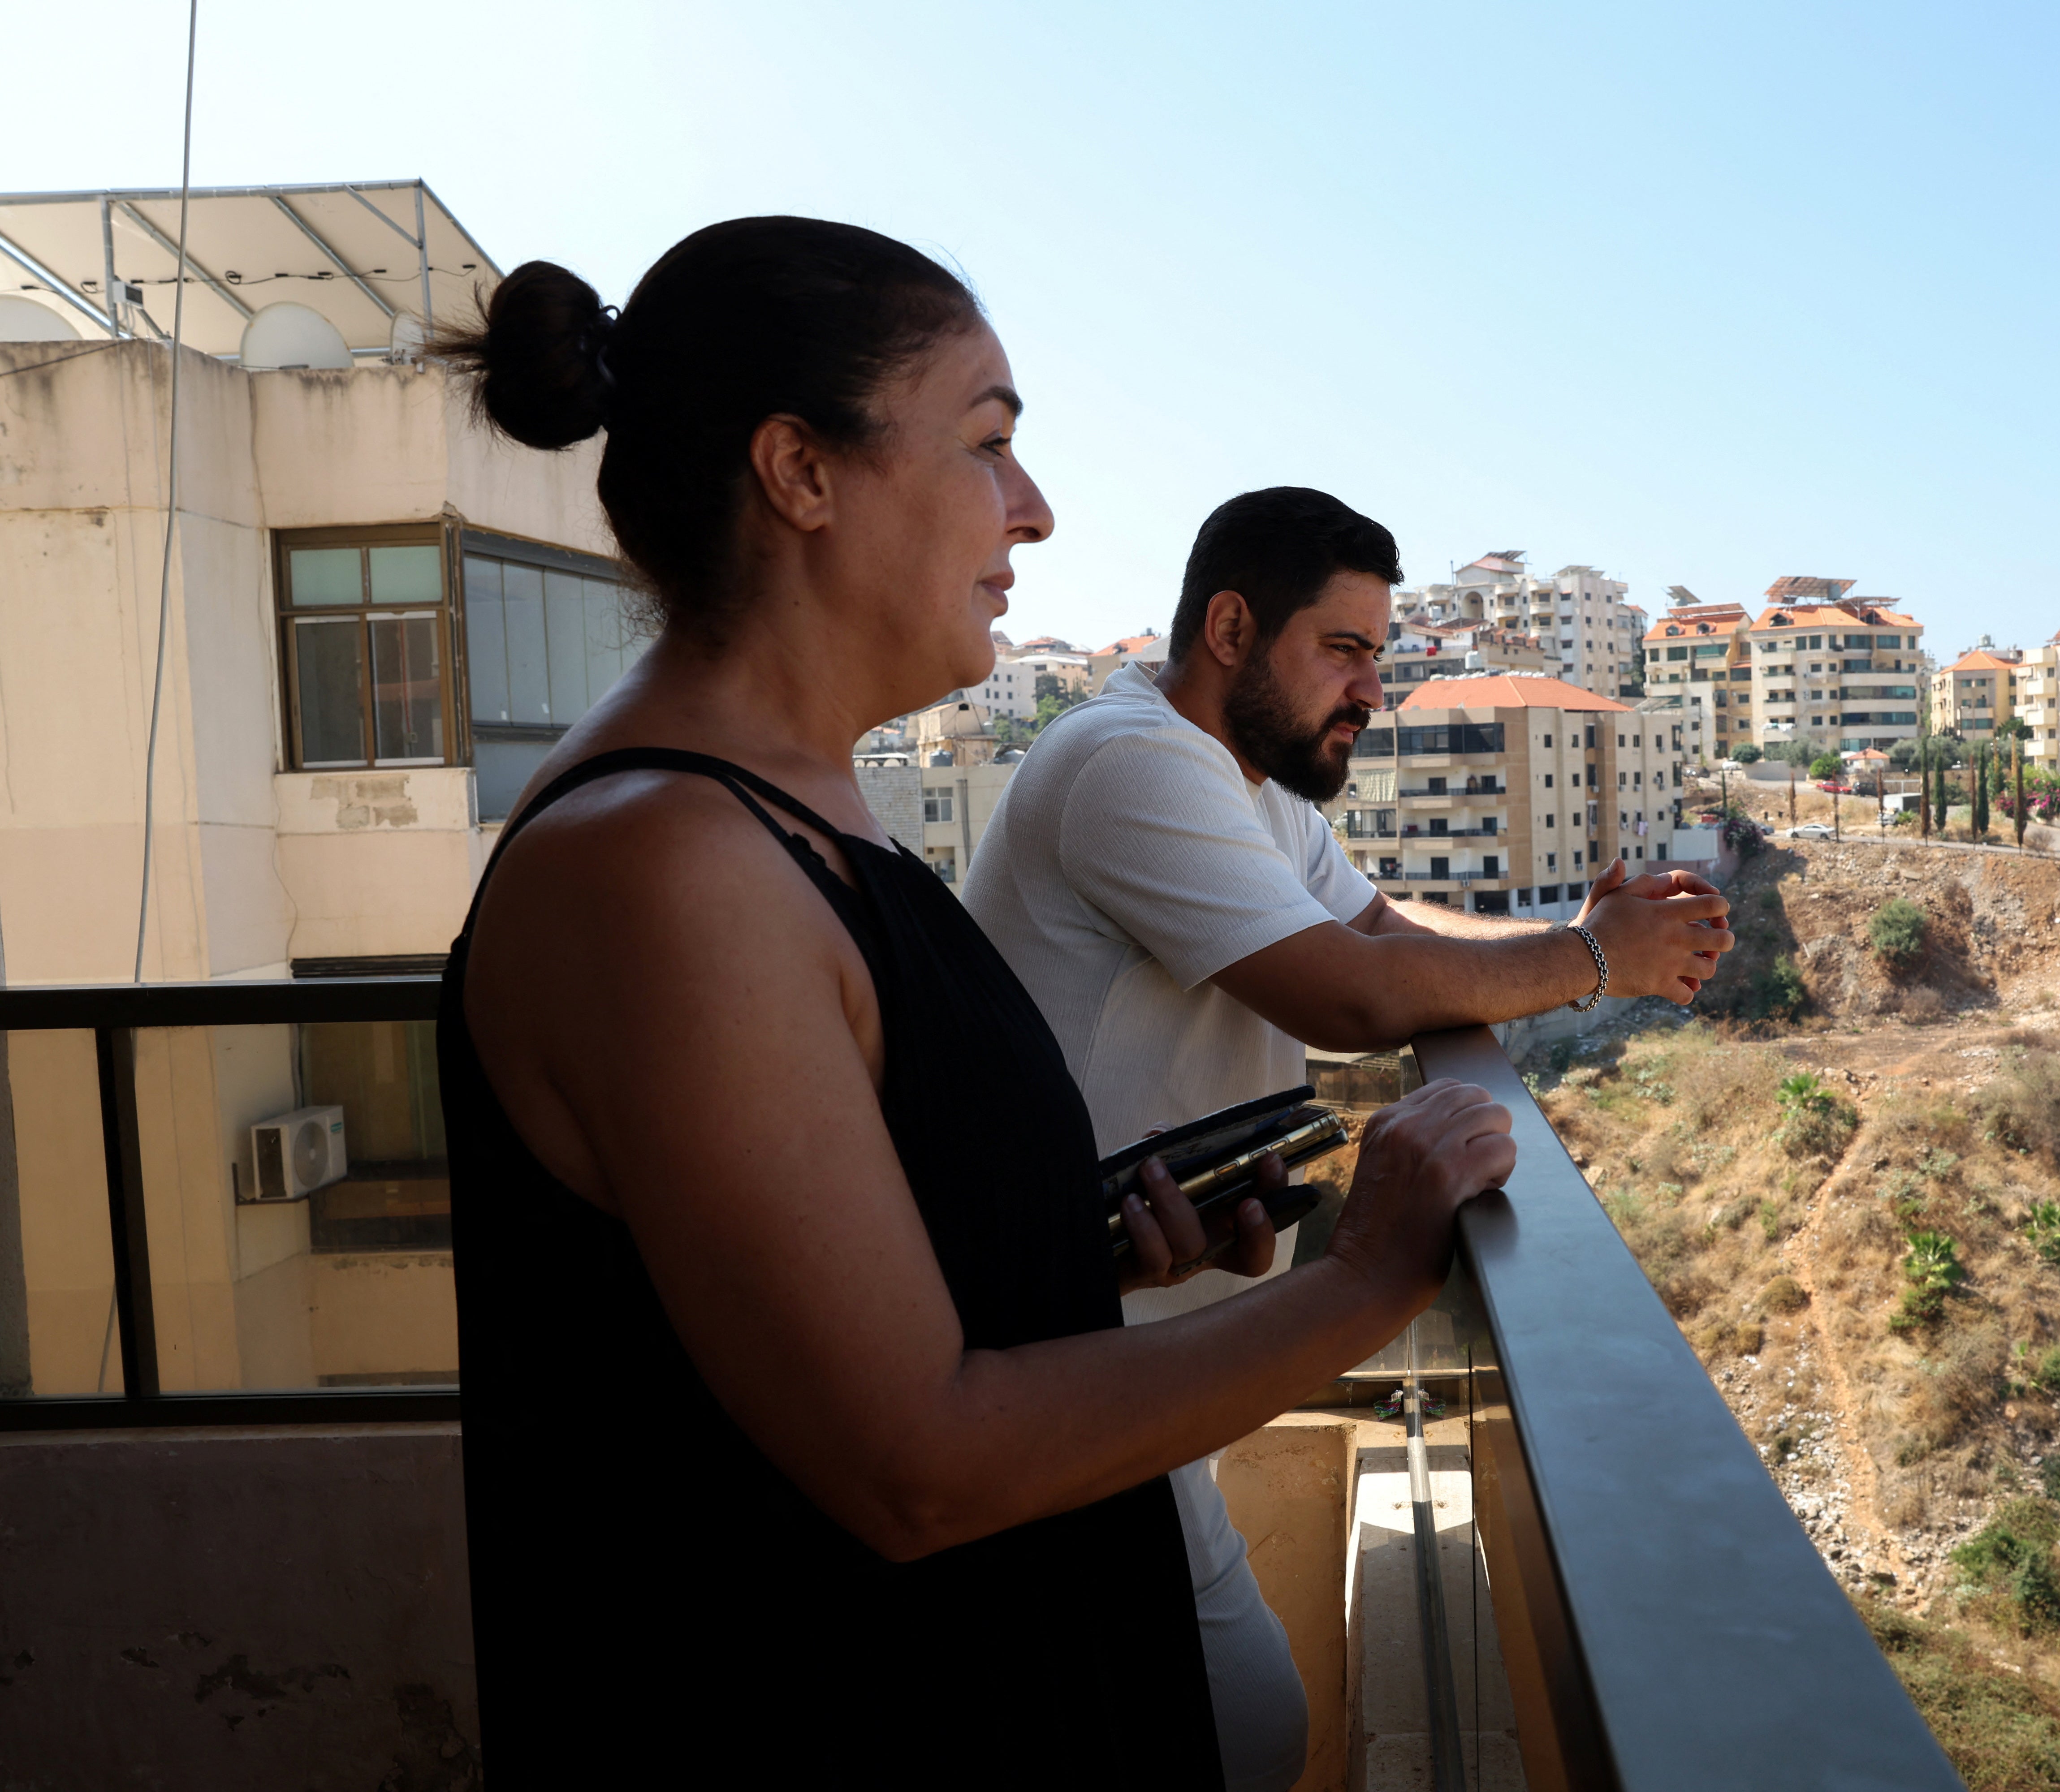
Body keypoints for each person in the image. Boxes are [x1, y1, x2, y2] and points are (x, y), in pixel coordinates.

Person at [434, 220, 1516, 1788]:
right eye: (990, 445)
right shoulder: (669, 870)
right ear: (801, 472)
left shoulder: (794, 809)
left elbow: (810, 1266)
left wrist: (1068, 1246)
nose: (1037, 511)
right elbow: (911, 1461)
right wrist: (1365, 1279)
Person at [962, 485, 1734, 1788]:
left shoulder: (1253, 796)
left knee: (1227, 1728)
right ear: (1229, 628)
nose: (1372, 688)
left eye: (1381, 653)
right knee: (1235, 1728)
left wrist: (1576, 935)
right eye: (1346, 650)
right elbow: (1349, 995)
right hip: (1047, 1368)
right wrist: (1596, 960)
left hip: (1136, 1332)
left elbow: (1395, 942)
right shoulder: (1124, 762)